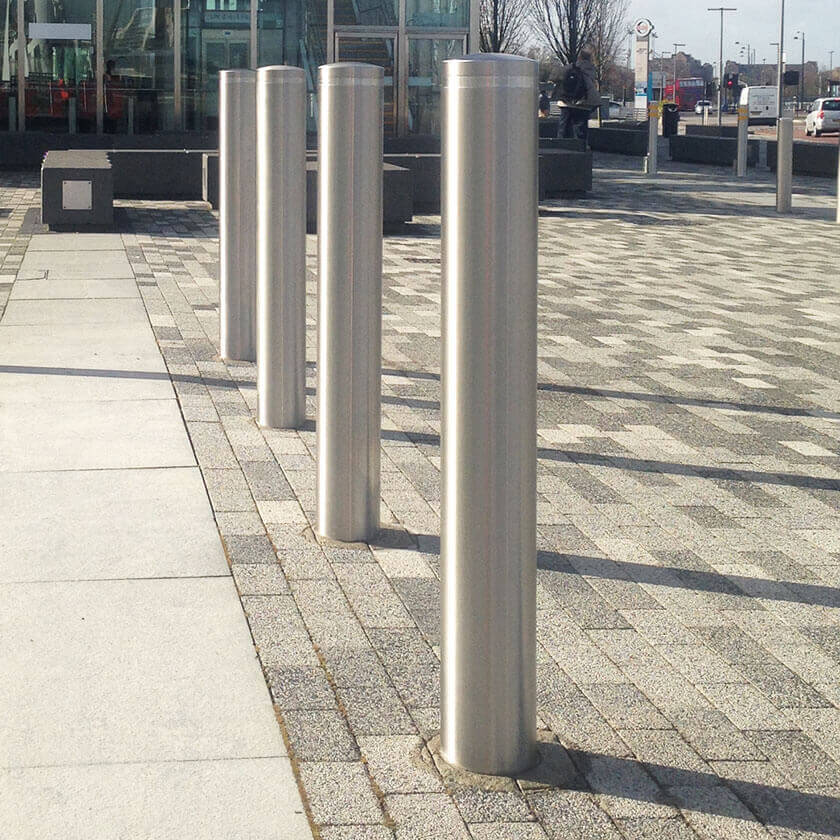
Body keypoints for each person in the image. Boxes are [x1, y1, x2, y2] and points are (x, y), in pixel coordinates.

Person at [551, 51, 600, 142]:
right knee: (580, 130)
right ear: (590, 59)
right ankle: (580, 149)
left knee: (564, 128)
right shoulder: (592, 70)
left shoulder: (571, 67)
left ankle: (561, 148)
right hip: (584, 102)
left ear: (579, 58)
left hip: (566, 101)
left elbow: (554, 77)